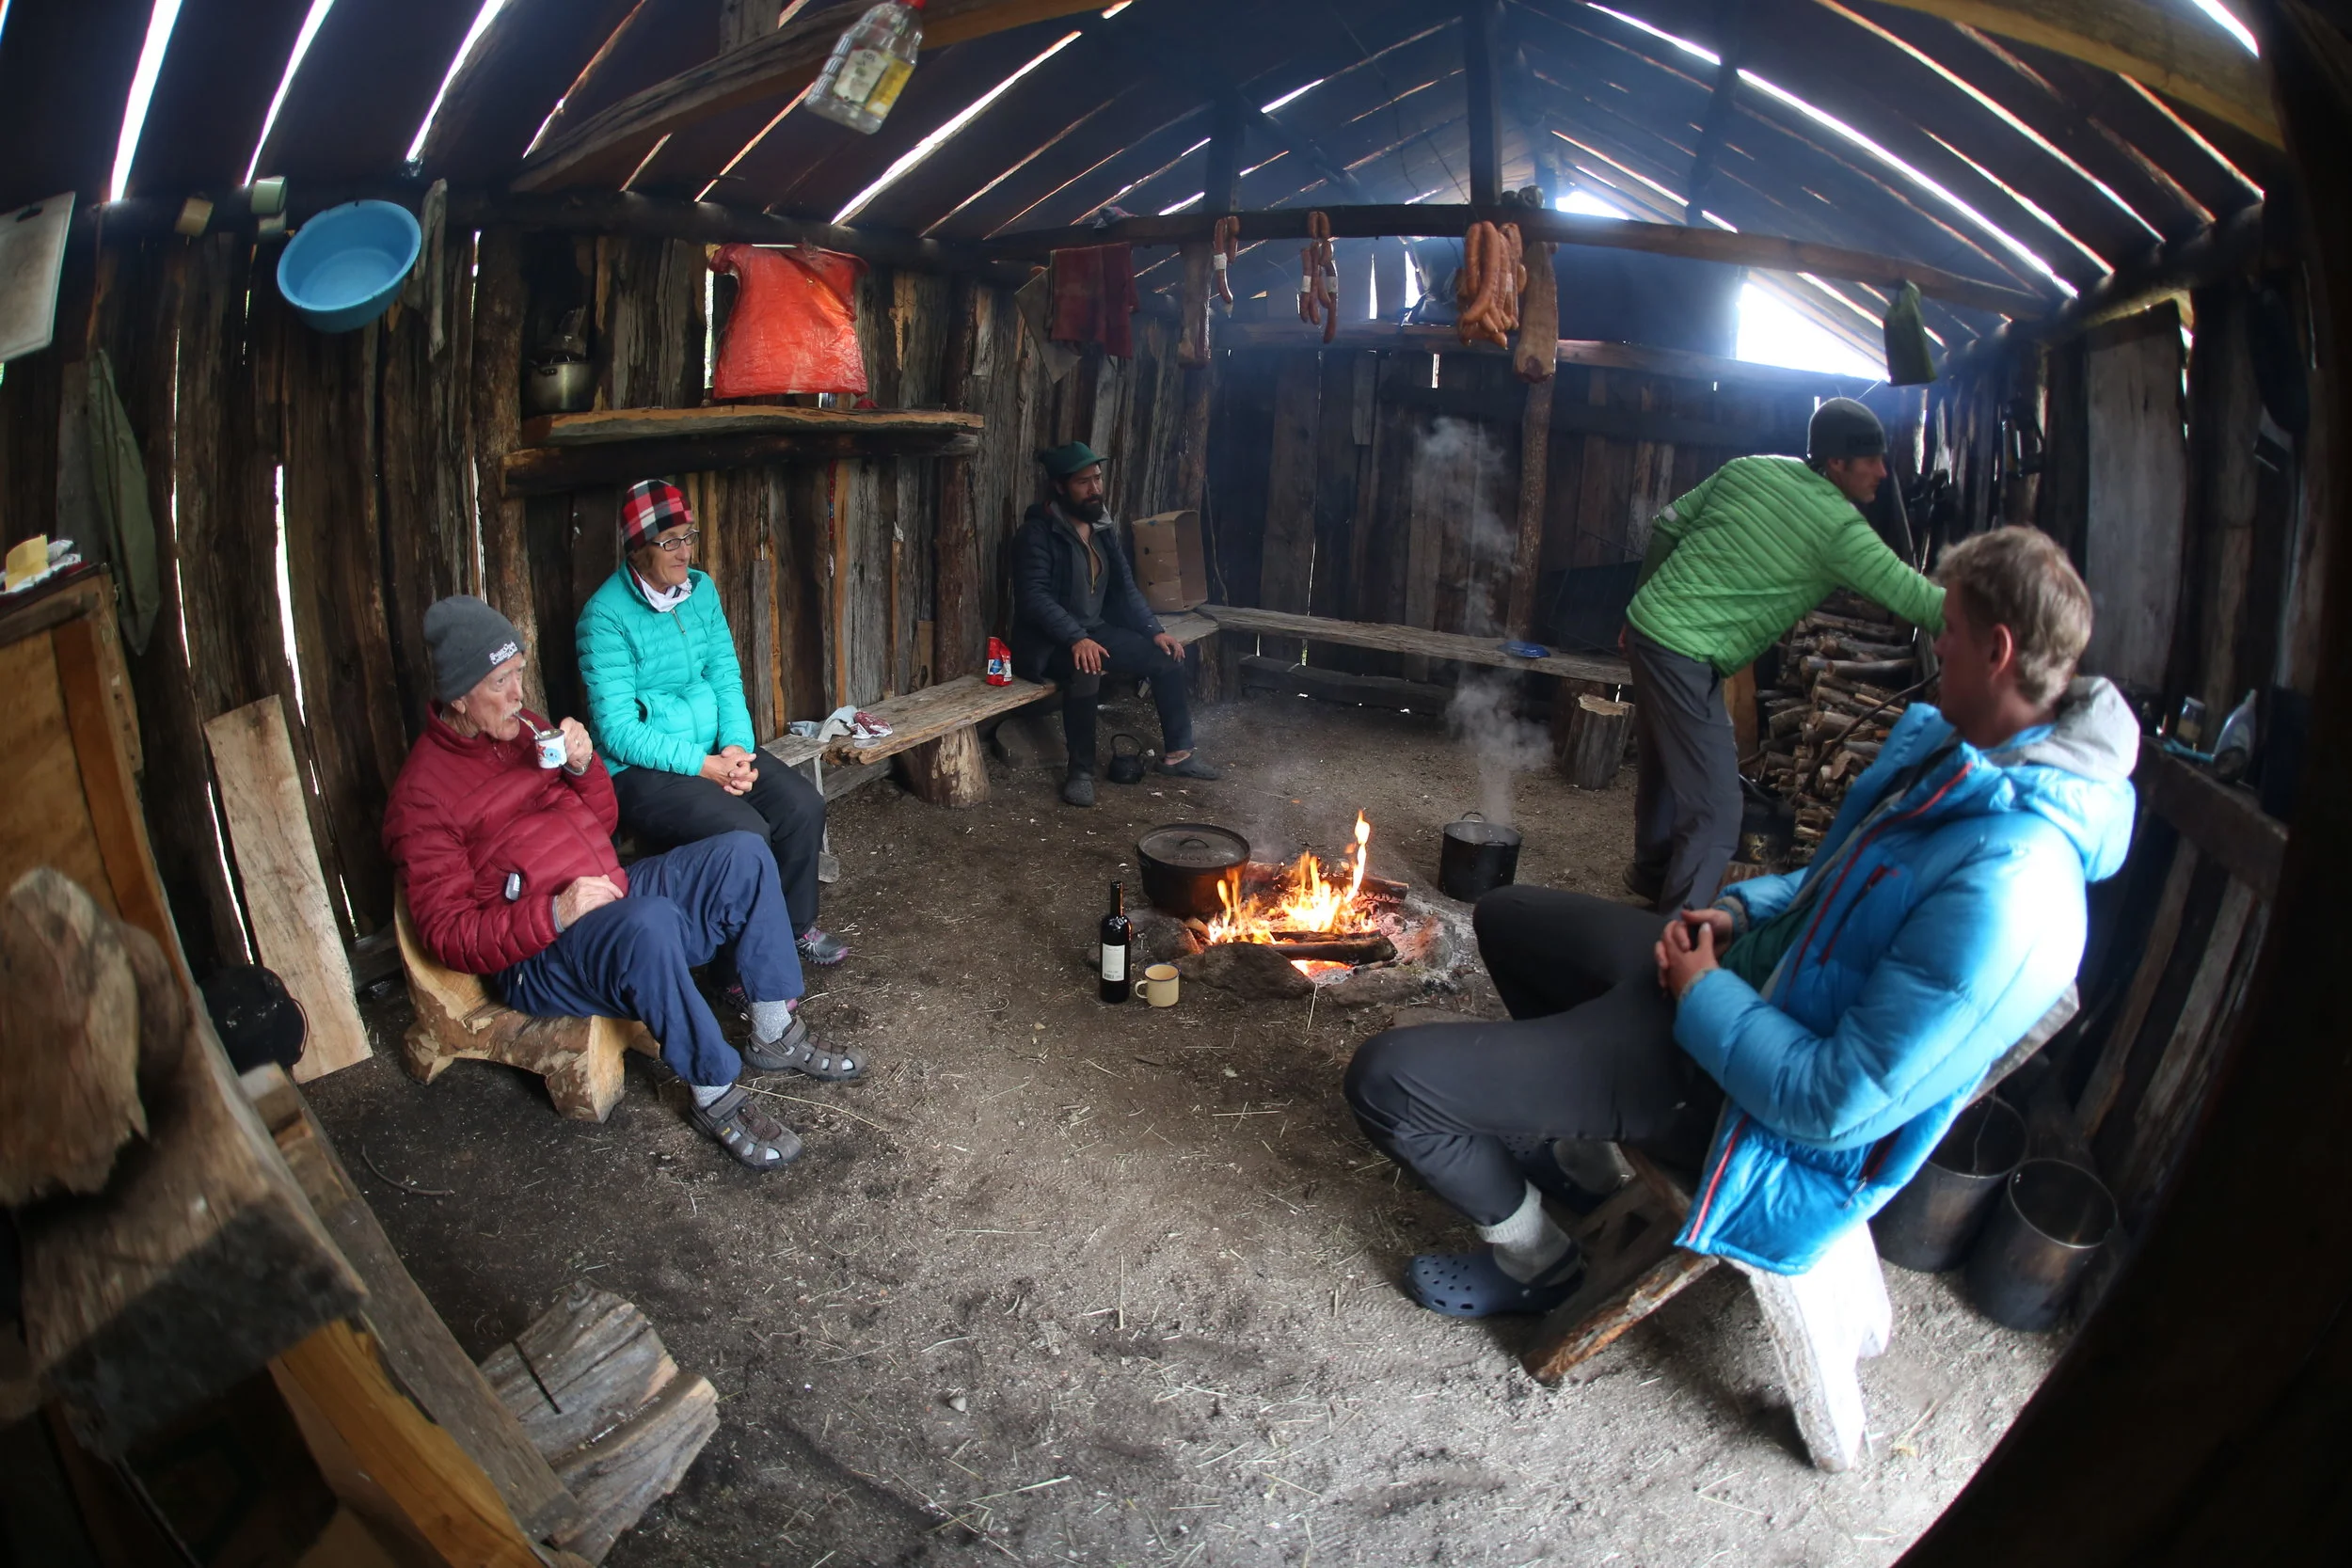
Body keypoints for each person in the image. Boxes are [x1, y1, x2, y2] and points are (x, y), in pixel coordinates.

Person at [1344, 527, 2135, 1317]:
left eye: (1952, 629)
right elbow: (1834, 881)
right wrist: (1736, 911)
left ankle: (1535, 1260)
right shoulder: (1972, 766)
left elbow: (1829, 1105)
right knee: (1508, 915)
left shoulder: (2012, 889)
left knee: (1387, 1080)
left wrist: (1702, 992)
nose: (1940, 643)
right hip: (1742, 990)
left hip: (1736, 1106)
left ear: (1998, 650)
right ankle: (1585, 1164)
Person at [384, 595, 868, 1171]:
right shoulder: (422, 798)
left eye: (519, 674)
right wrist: (554, 913)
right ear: (458, 695)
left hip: (608, 892)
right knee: (648, 924)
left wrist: (583, 767)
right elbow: (447, 934)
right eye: (500, 682)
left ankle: (774, 1031)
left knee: (743, 853)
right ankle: (714, 1092)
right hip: (541, 950)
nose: (518, 695)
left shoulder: (526, 732)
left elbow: (602, 822)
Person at [1622, 398, 1946, 914]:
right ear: (1836, 462)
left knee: (1667, 759)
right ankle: (1669, 936)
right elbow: (1922, 603)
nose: (1884, 472)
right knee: (1718, 813)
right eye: (1872, 460)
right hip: (1685, 654)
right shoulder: (1840, 530)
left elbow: (1668, 524)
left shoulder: (1750, 468)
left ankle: (1651, 872)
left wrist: (1638, 604)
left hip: (1648, 631)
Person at [578, 479, 847, 970]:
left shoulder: (700, 591)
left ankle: (791, 930)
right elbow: (617, 731)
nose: (684, 552)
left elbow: (724, 676)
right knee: (744, 833)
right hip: (642, 770)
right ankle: (735, 969)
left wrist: (737, 749)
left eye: (688, 536)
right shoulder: (604, 616)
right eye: (669, 542)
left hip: (713, 752)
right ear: (637, 549)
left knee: (802, 806)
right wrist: (704, 766)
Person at [1010, 442, 1218, 808]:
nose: (1095, 489)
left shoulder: (1101, 528)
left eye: (1097, 478)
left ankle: (1178, 755)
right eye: (1083, 482)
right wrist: (1075, 638)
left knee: (1167, 656)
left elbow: (1125, 588)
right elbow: (1034, 598)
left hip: (1094, 632)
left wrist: (1154, 631)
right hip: (1049, 642)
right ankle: (1080, 772)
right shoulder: (1037, 534)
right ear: (1060, 487)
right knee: (1086, 668)